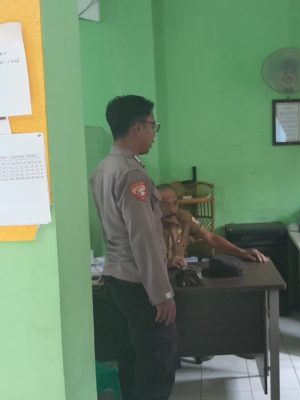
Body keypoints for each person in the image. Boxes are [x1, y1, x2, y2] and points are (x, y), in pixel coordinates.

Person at [91, 95, 176, 400]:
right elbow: (144, 238)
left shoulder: (104, 168)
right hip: (138, 282)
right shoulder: (131, 173)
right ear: (137, 127)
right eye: (153, 126)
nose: (154, 133)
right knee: (156, 363)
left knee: (130, 360)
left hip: (115, 276)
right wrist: (161, 294)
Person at [156, 184, 269, 267]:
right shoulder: (150, 224)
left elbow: (211, 237)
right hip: (156, 279)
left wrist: (242, 252)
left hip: (180, 275)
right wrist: (167, 264)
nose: (173, 210)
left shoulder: (184, 217)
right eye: (165, 205)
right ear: (154, 205)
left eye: (175, 203)